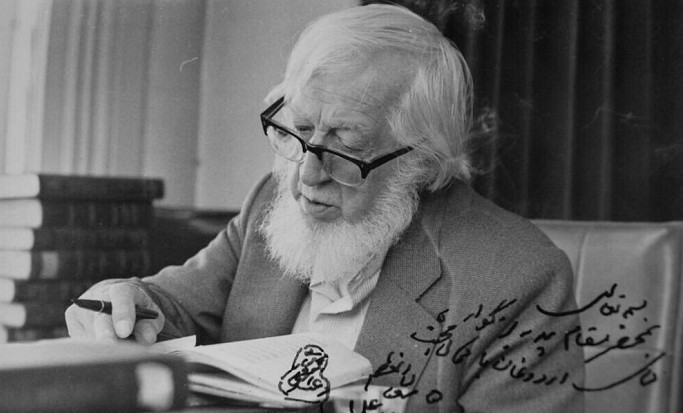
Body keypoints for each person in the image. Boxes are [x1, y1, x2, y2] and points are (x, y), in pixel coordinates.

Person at [66, 4, 584, 412]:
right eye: (297, 130)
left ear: (422, 163)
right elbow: (171, 307)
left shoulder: (520, 280)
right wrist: (124, 301)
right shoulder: (271, 202)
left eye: (346, 146)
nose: (305, 176)